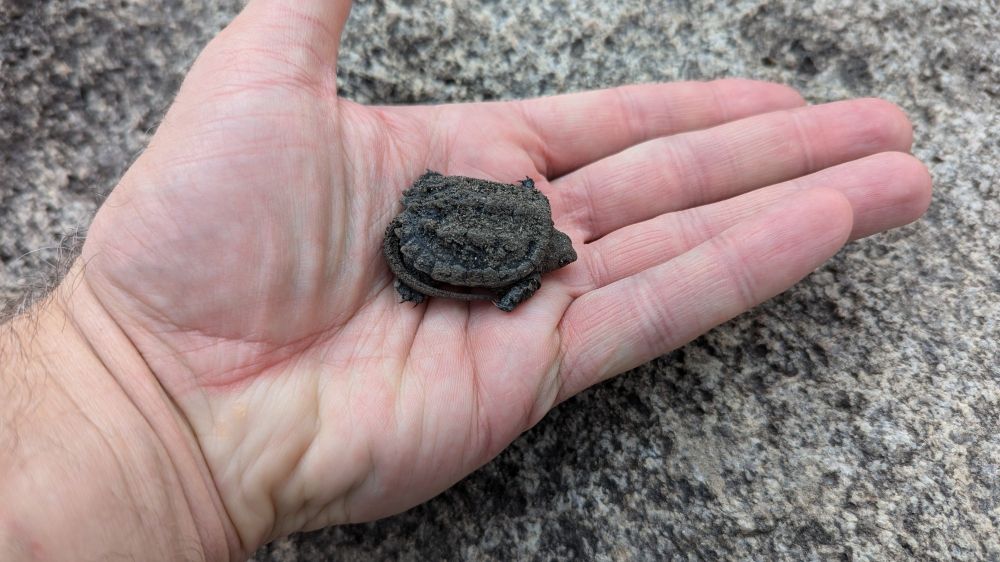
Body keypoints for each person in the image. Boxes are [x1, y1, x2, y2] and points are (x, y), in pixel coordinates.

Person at [0, 1, 932, 560]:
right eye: (558, 262)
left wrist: (123, 399)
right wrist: (126, 386)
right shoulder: (533, 244)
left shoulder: (536, 222)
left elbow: (506, 236)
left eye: (555, 261)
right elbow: (504, 274)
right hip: (436, 235)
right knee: (450, 259)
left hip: (442, 216)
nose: (563, 264)